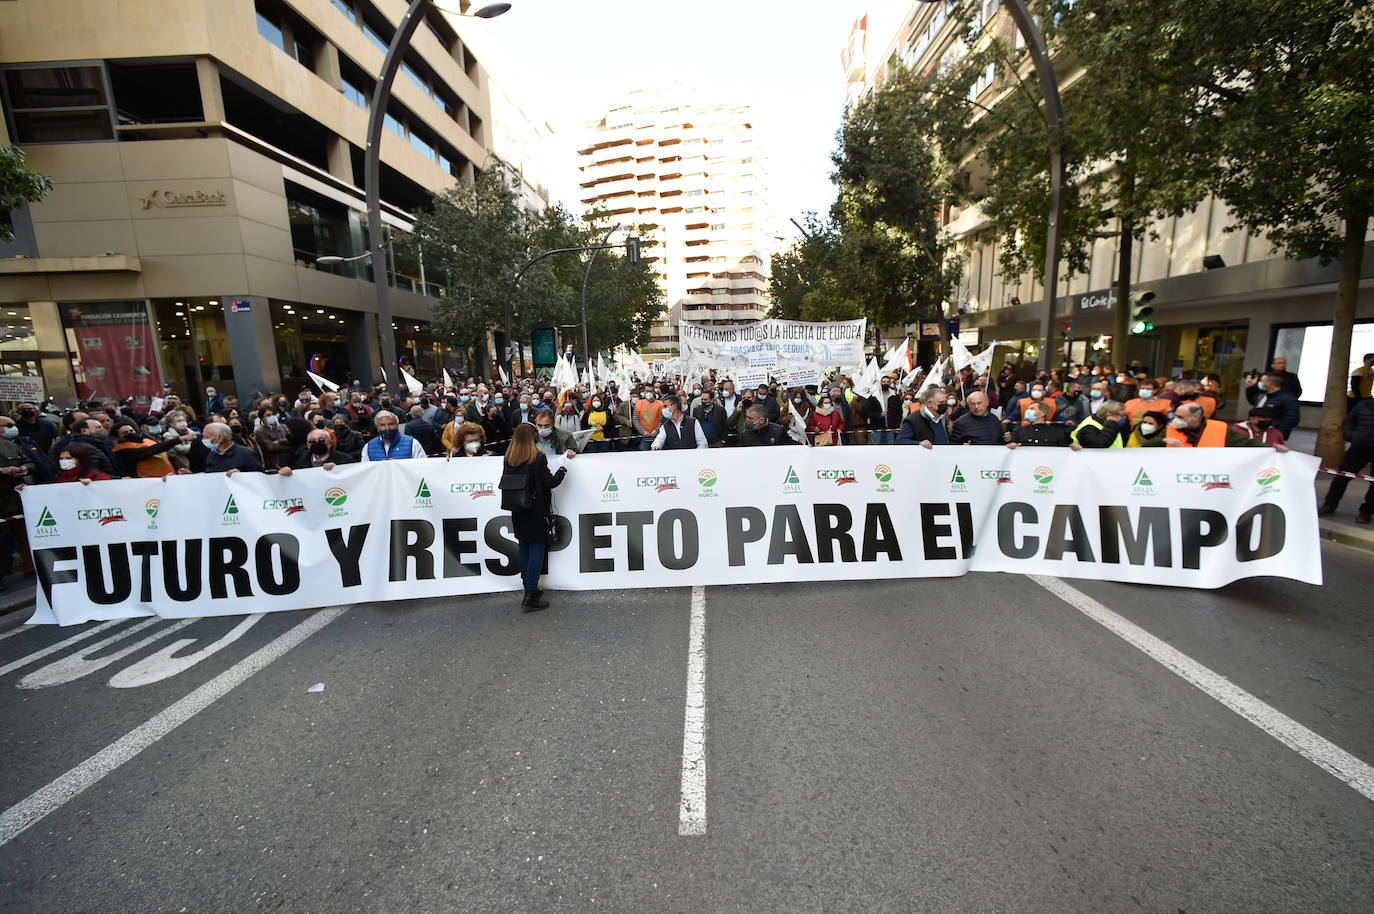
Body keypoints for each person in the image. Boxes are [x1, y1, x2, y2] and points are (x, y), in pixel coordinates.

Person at [502, 423, 573, 611]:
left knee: (524, 546)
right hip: (536, 509)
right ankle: (531, 593)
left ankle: (528, 586)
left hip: (517, 509)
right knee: (537, 550)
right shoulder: (537, 457)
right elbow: (550, 482)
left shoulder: (509, 458)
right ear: (532, 437)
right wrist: (562, 469)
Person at [1319, 396, 1374, 523]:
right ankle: (1329, 505)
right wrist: (1350, 436)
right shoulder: (1364, 404)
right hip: (1359, 447)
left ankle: (1366, 511)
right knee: (1341, 477)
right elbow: (1349, 421)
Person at [1144, 402, 1288, 449]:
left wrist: (1272, 448)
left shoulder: (1220, 429)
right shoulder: (1171, 429)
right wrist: (1163, 441)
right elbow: (1147, 447)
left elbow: (1247, 444)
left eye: (1181, 417)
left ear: (1196, 417)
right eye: (1176, 416)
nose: (1176, 420)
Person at [112, 419, 190, 478]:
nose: (130, 433)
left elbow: (168, 456)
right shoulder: (121, 449)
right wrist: (178, 440)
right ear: (117, 438)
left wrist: (180, 468)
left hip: (170, 478)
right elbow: (149, 451)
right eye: (125, 433)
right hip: (148, 483)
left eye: (131, 431)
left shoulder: (148, 441)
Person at [1244, 372, 1300, 440]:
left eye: (1262, 381)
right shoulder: (1264, 394)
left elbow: (1291, 420)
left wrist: (1277, 434)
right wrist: (1251, 387)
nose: (1259, 383)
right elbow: (1252, 400)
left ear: (1270, 383)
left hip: (1272, 434)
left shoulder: (1288, 398)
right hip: (1256, 432)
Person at [277, 428, 356, 475]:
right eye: (312, 442)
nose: (317, 444)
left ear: (330, 443)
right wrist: (286, 473)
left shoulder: (346, 460)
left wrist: (338, 469)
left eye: (321, 441)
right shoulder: (300, 463)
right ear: (308, 445)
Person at [1006, 400, 1079, 449]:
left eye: (1032, 409)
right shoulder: (1019, 430)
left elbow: (1064, 450)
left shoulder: (1056, 432)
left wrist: (1072, 447)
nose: (1028, 411)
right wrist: (1011, 445)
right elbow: (1010, 445)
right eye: (1028, 409)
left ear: (1043, 413)